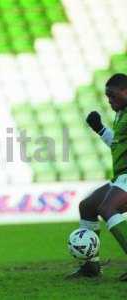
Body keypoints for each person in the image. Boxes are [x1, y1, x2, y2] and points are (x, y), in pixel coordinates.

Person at [70, 73, 127, 280]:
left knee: (107, 208)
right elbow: (117, 144)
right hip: (121, 176)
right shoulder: (121, 114)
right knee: (87, 206)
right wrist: (101, 129)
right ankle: (90, 267)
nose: (110, 101)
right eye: (107, 97)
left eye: (113, 96)